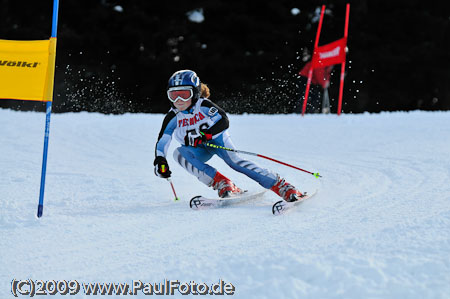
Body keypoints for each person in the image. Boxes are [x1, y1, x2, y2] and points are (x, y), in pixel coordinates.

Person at [154, 70, 304, 202]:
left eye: (184, 94)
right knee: (179, 154)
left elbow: (224, 121)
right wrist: (160, 160)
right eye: (173, 95)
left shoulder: (204, 105)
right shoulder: (172, 116)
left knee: (235, 162)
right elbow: (164, 139)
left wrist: (207, 135)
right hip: (198, 149)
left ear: (195, 93)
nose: (179, 101)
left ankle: (281, 186)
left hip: (217, 141)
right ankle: (222, 183)